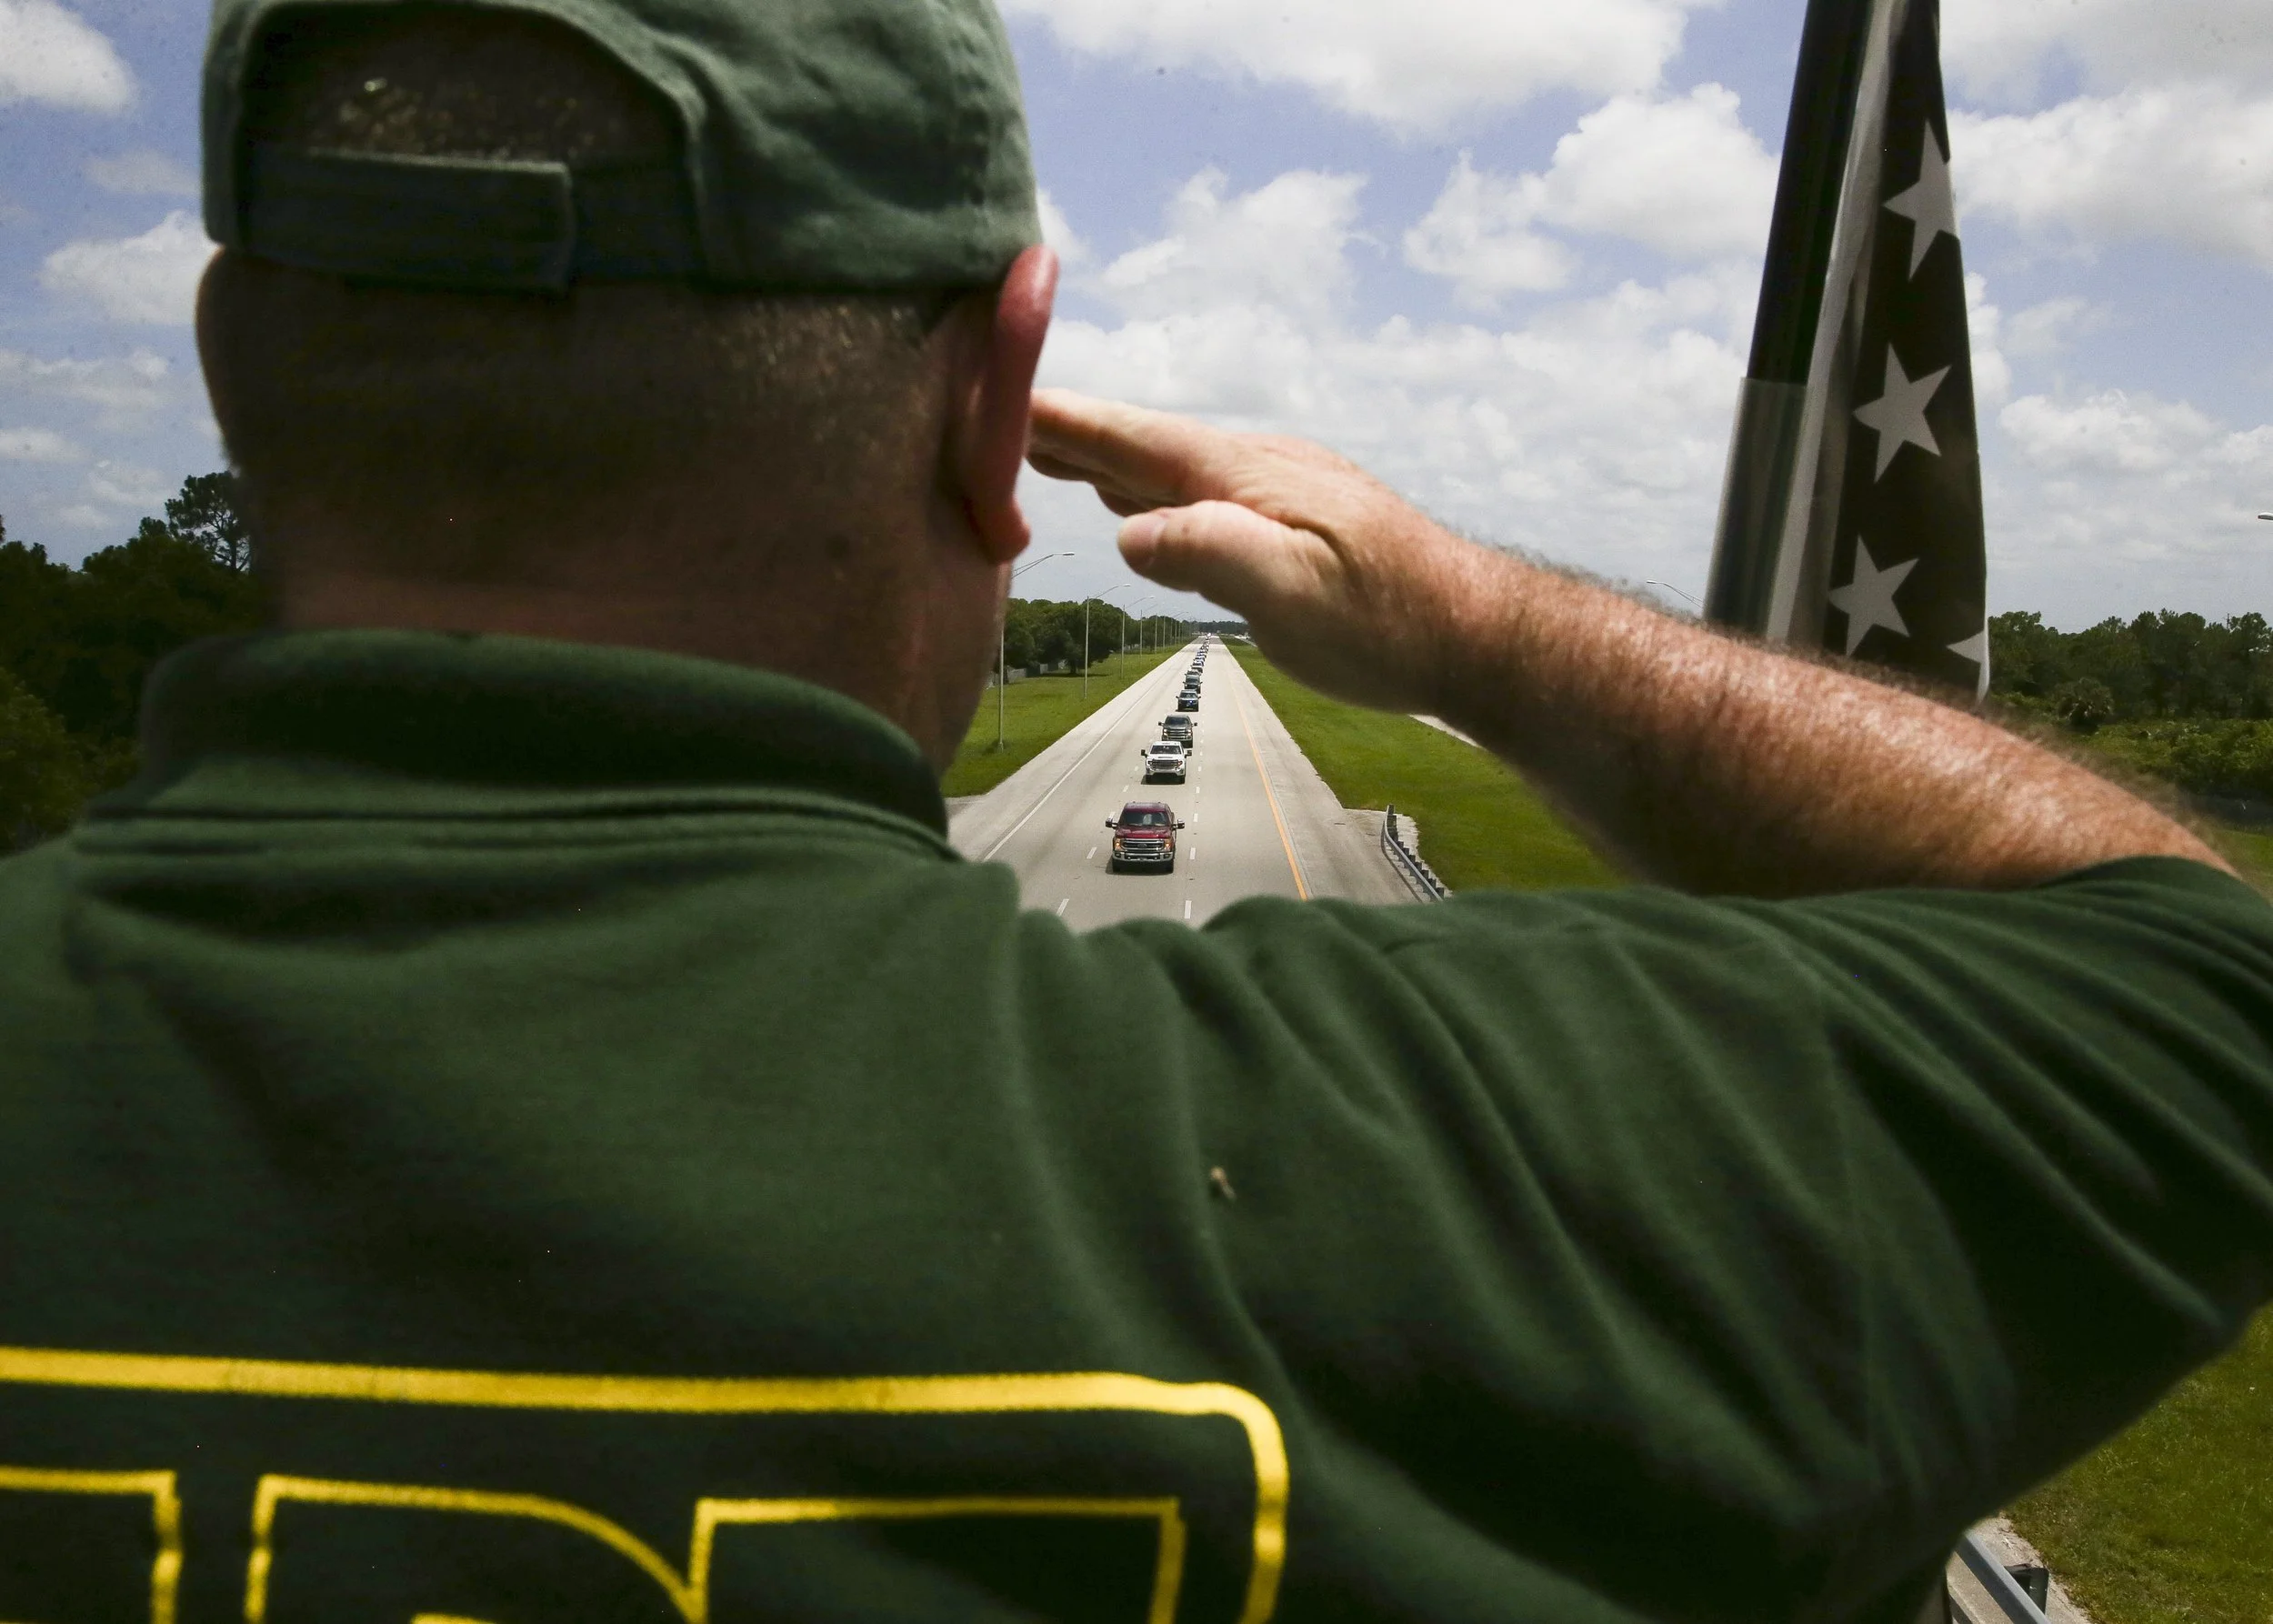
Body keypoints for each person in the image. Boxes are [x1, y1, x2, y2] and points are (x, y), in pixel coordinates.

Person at [0, 0, 2268, 1617]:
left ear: (225, 352)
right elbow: (2193, 982)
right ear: (1000, 403)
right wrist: (1470, 619)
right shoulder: (1414, 1177)